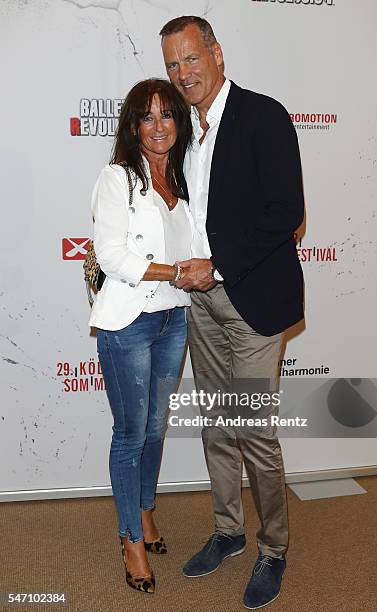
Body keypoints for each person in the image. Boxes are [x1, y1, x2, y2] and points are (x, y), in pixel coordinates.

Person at [160, 16, 304, 609]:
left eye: (191, 59)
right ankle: (228, 532)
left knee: (253, 431)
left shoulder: (263, 115)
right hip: (202, 304)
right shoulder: (184, 133)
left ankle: (273, 548)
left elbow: (286, 212)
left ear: (216, 53)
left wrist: (216, 267)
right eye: (172, 65)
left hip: (250, 301)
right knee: (216, 425)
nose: (183, 74)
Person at [89, 78, 192, 594]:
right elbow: (111, 256)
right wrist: (174, 272)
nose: (158, 126)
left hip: (176, 319)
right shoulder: (117, 178)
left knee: (155, 427)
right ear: (133, 125)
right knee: (131, 434)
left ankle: (147, 512)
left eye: (167, 115)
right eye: (147, 117)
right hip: (129, 323)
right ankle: (131, 539)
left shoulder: (184, 177)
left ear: (179, 122)